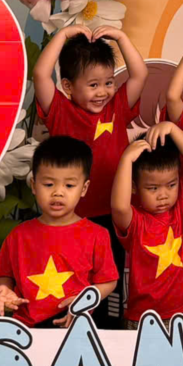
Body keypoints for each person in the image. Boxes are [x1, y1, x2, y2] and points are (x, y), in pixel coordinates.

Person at [0, 136, 118, 326]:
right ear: (34, 185)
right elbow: (3, 273)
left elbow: (108, 281)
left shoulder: (97, 235)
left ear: (84, 188)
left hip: (76, 326)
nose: (58, 192)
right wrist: (4, 289)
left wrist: (84, 302)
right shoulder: (19, 235)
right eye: (48, 184)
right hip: (28, 328)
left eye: (69, 185)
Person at [32, 22, 150, 221]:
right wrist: (62, 35)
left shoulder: (117, 106)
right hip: (73, 214)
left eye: (108, 83)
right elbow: (40, 75)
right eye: (93, 85)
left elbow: (140, 75)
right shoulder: (59, 110)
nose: (102, 92)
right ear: (68, 86)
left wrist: (121, 38)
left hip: (117, 209)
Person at [110, 122, 183, 329]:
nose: (163, 195)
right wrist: (126, 160)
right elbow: (119, 207)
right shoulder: (136, 221)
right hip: (143, 319)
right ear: (134, 187)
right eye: (153, 188)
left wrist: (171, 128)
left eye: (171, 185)